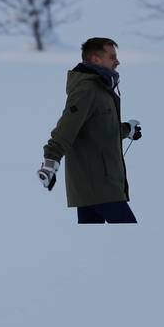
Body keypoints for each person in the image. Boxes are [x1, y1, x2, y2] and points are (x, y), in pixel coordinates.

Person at [38, 38, 143, 224]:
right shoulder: (86, 89)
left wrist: (128, 129)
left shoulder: (101, 89)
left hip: (99, 185)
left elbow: (99, 130)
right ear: (95, 60)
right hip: (100, 185)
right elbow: (67, 127)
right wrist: (51, 161)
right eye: (112, 57)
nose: (117, 62)